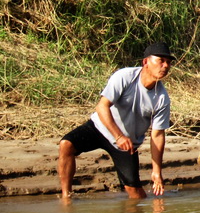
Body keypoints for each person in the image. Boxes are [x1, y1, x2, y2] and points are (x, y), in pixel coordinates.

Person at [58, 42, 175, 199]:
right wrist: (118, 136)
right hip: (100, 128)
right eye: (161, 60)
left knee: (135, 194)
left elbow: (158, 135)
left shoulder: (162, 98)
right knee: (66, 145)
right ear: (146, 62)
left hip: (126, 145)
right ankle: (66, 195)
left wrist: (156, 172)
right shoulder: (125, 76)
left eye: (168, 62)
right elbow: (102, 107)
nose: (165, 65)